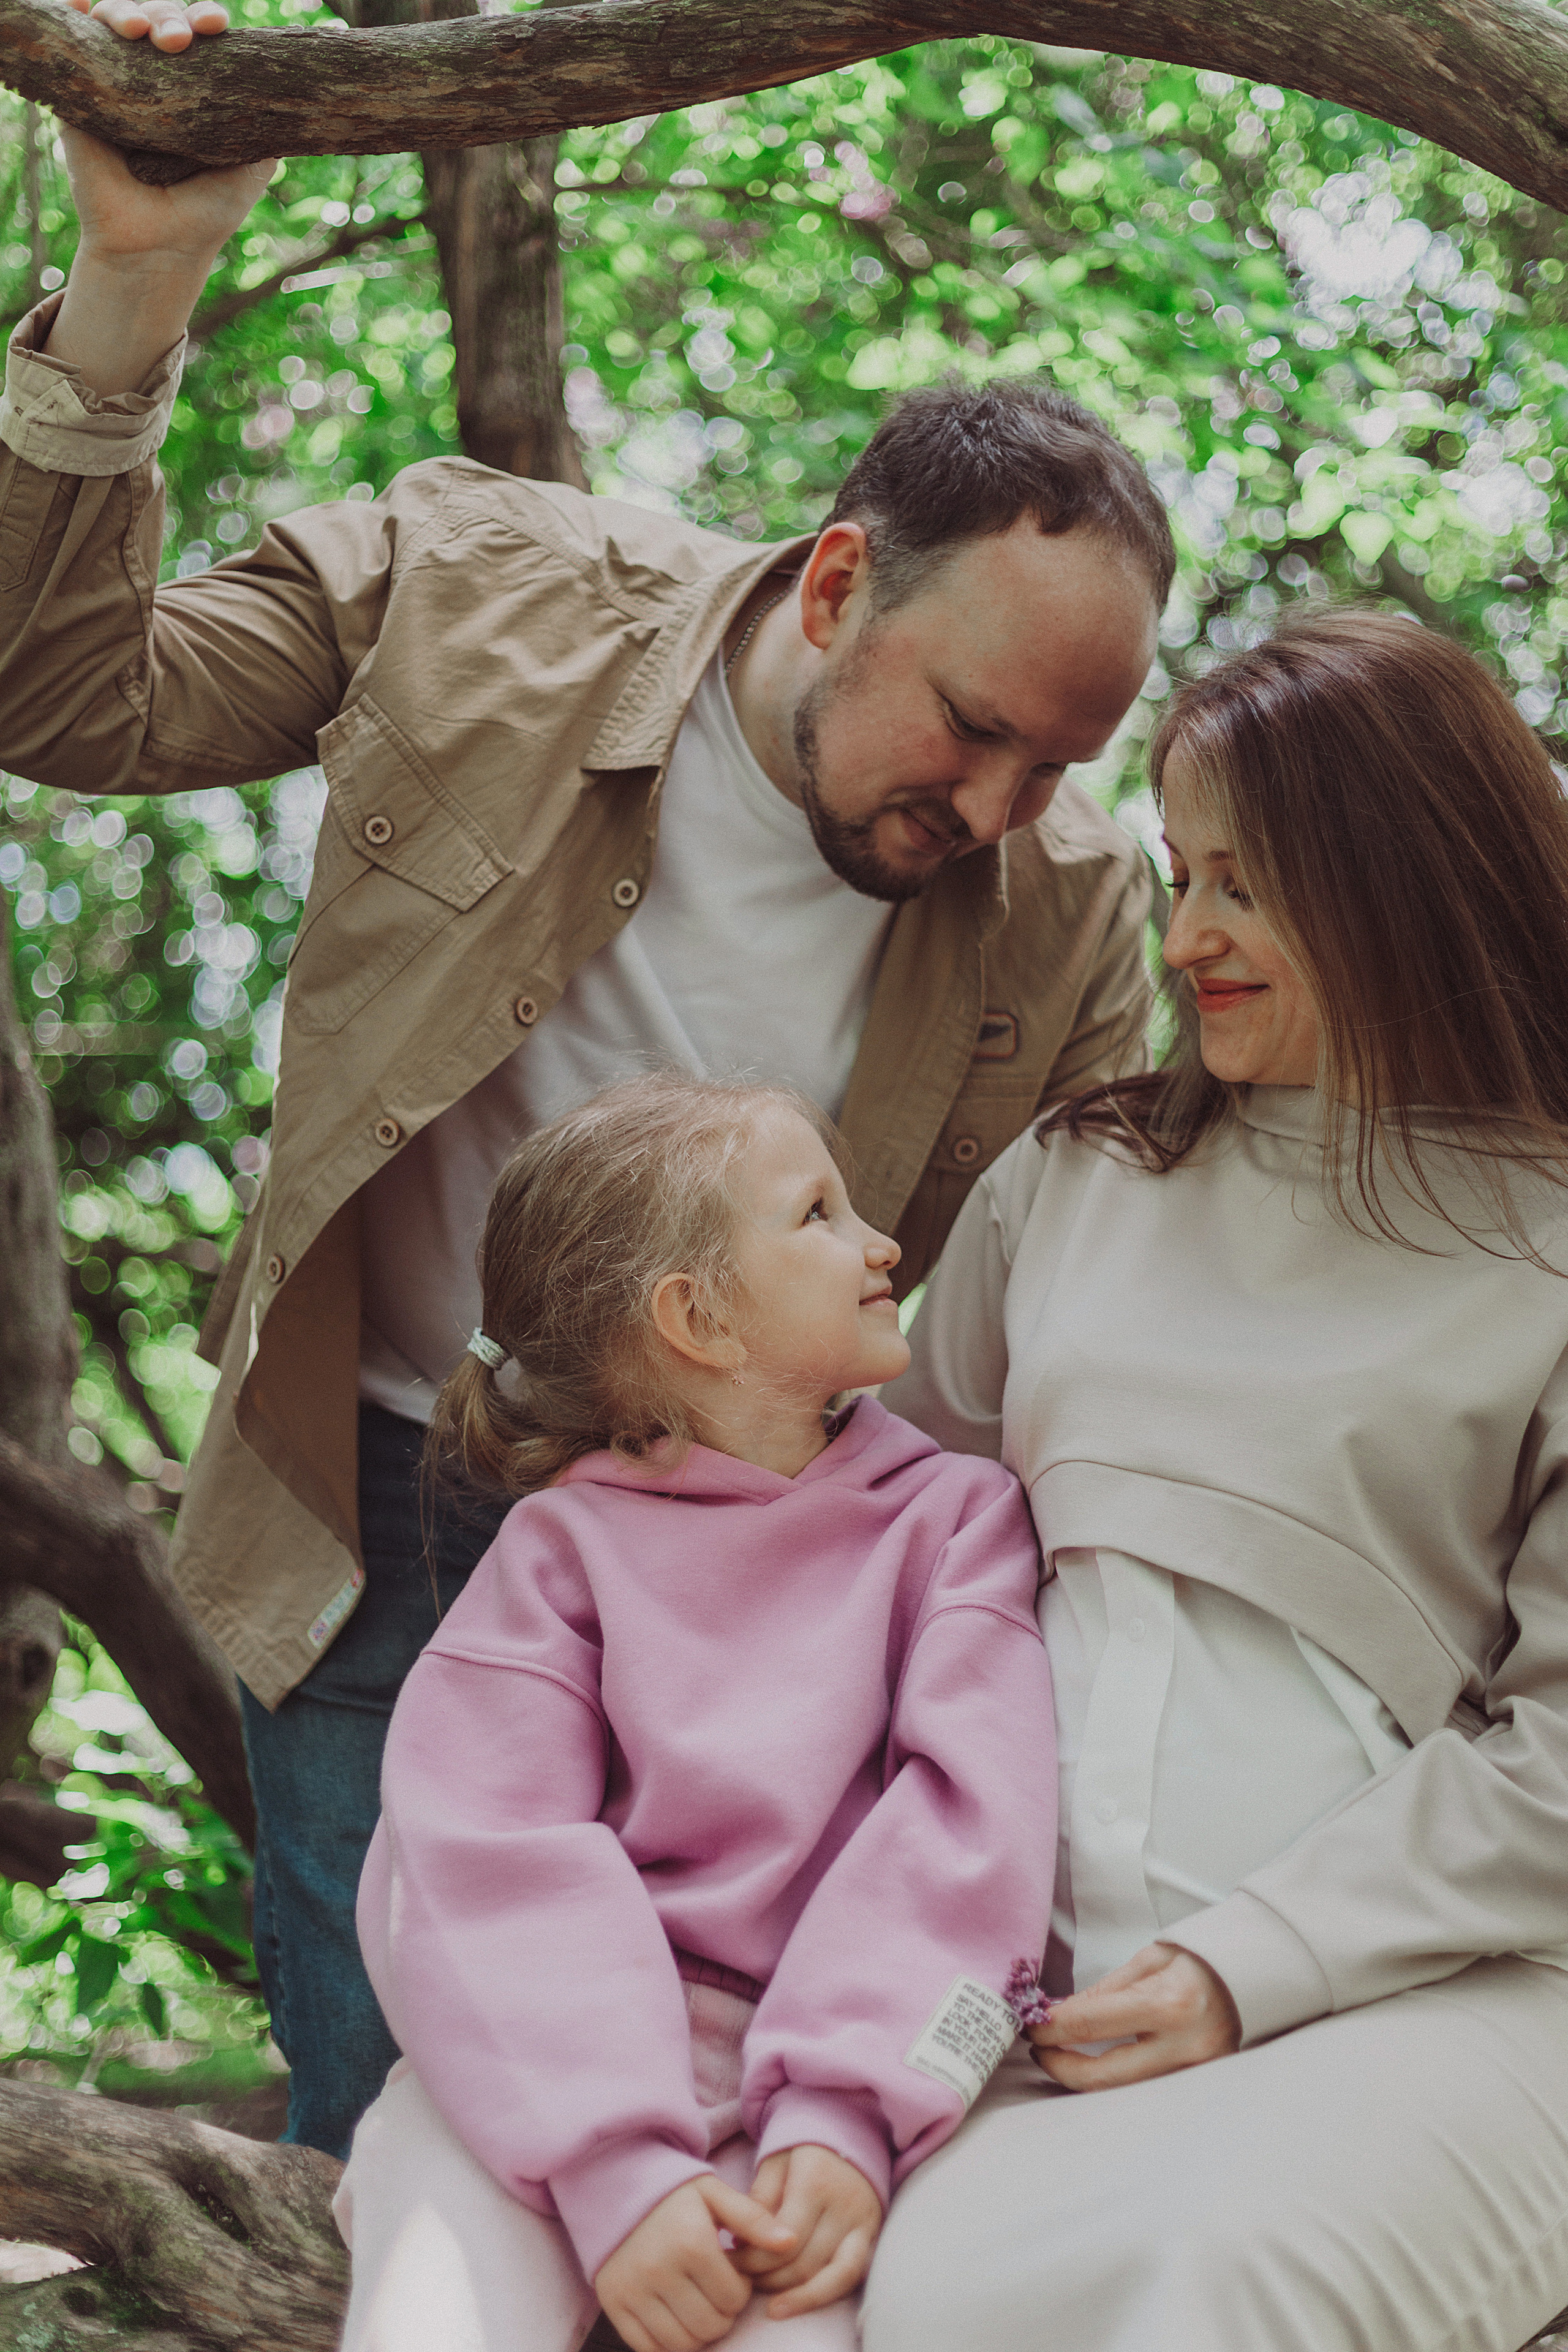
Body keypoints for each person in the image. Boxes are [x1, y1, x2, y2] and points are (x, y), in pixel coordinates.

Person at [0, 0, 1174, 2155]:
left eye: (1059, 765)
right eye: (973, 728)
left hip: (774, 1573)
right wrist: (138, 278)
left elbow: (1070, 1333)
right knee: (396, 2138)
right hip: (383, 1493)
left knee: (724, 2147)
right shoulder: (481, 594)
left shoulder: (1076, 911)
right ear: (841, 581)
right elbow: (64, 693)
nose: (1003, 809)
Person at [864, 606, 1568, 2352]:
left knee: (1207, 2296)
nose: (1183, 940)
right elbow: (896, 1582)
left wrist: (1249, 1967)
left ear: (1403, 873)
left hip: (1450, 2004)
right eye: (1181, 878)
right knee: (899, 2307)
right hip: (1031, 2012)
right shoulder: (1073, 1178)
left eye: (1243, 887)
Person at [331, 1070, 1057, 2352]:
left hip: (818, 2104)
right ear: (698, 1319)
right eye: (818, 1213)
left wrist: (846, 2116)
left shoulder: (957, 1524)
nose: (881, 1244)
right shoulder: (558, 1552)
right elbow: (473, 1855)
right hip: (538, 2083)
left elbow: (966, 1828)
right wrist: (615, 2163)